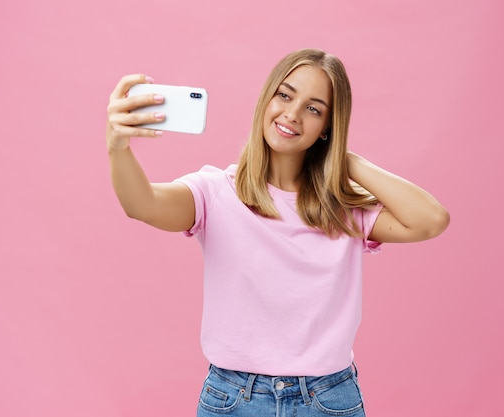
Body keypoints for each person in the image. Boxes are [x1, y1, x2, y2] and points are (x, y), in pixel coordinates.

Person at [106, 48, 449, 417]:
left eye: (314, 109)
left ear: (328, 128)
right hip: (234, 398)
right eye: (284, 95)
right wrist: (118, 147)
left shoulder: (341, 210)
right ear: (267, 98)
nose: (292, 114)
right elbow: (141, 204)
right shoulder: (215, 192)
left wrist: (347, 161)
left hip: (328, 399)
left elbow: (431, 219)